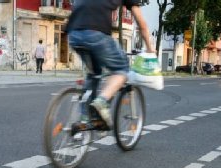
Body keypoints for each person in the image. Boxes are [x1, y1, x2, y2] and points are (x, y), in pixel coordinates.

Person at [66, 0, 155, 128]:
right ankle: (102, 102)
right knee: (122, 69)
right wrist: (150, 48)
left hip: (73, 33)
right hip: (95, 33)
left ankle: (85, 119)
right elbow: (142, 24)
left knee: (94, 73)